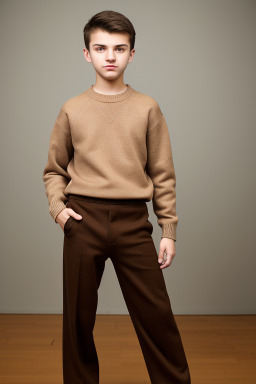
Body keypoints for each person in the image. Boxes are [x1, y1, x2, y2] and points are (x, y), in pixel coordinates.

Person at [42, 9, 191, 384]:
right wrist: (59, 210)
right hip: (83, 220)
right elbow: (53, 170)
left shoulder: (147, 108)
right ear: (87, 54)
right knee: (77, 322)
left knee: (157, 318)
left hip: (132, 222)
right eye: (101, 47)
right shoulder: (72, 109)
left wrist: (168, 229)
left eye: (119, 48)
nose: (110, 56)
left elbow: (162, 173)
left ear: (132, 54)